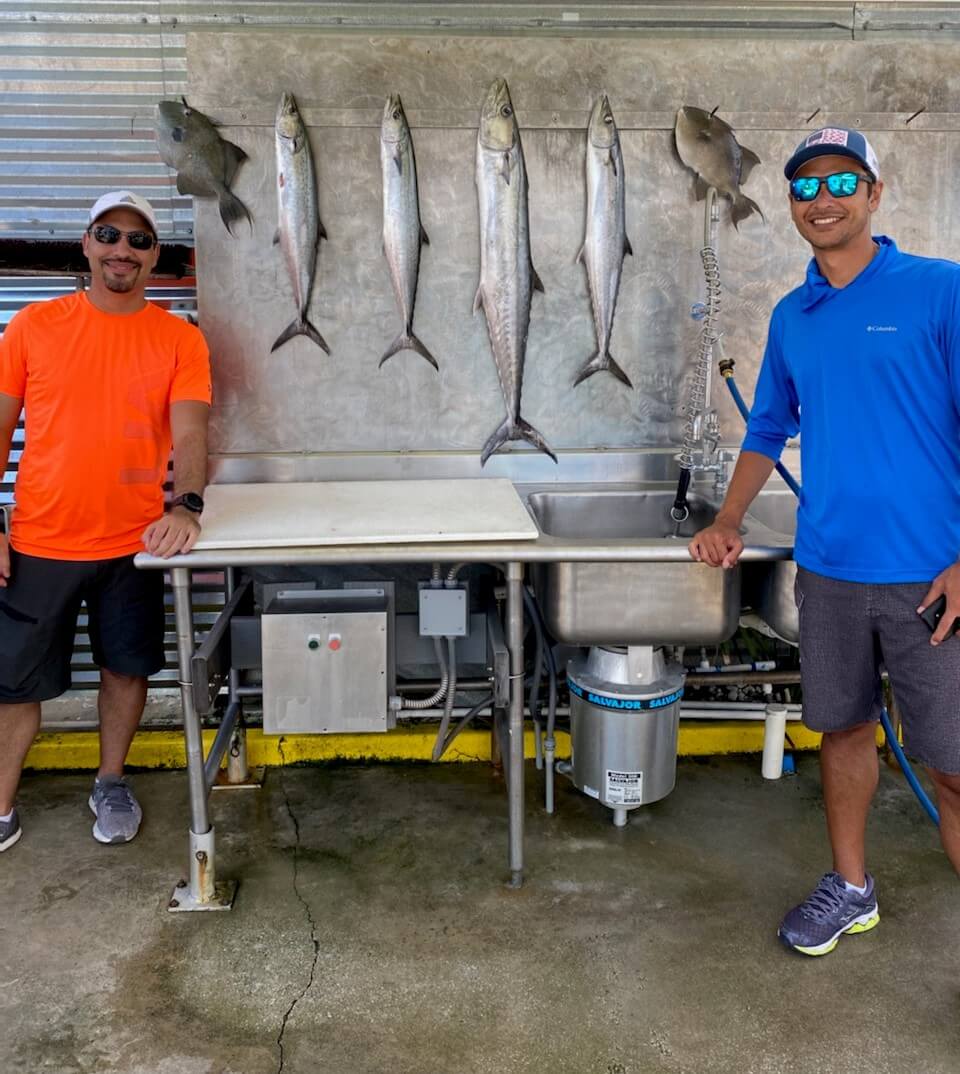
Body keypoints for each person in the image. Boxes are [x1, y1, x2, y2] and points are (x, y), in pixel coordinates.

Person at [689, 128, 960, 956]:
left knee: (953, 767)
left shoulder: (938, 291)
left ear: (876, 194)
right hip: (831, 571)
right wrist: (730, 518)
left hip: (931, 577)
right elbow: (768, 426)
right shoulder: (793, 316)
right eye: (805, 188)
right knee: (842, 734)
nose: (823, 199)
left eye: (842, 182)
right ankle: (850, 888)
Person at [0, 191, 212, 850]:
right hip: (40, 540)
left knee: (126, 669)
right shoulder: (33, 327)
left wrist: (187, 504)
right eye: (110, 234)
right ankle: (2, 804)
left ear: (154, 258)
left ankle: (111, 780)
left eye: (140, 240)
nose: (123, 248)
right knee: (14, 686)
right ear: (88, 245)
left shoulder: (180, 338)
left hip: (134, 545)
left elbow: (192, 430)